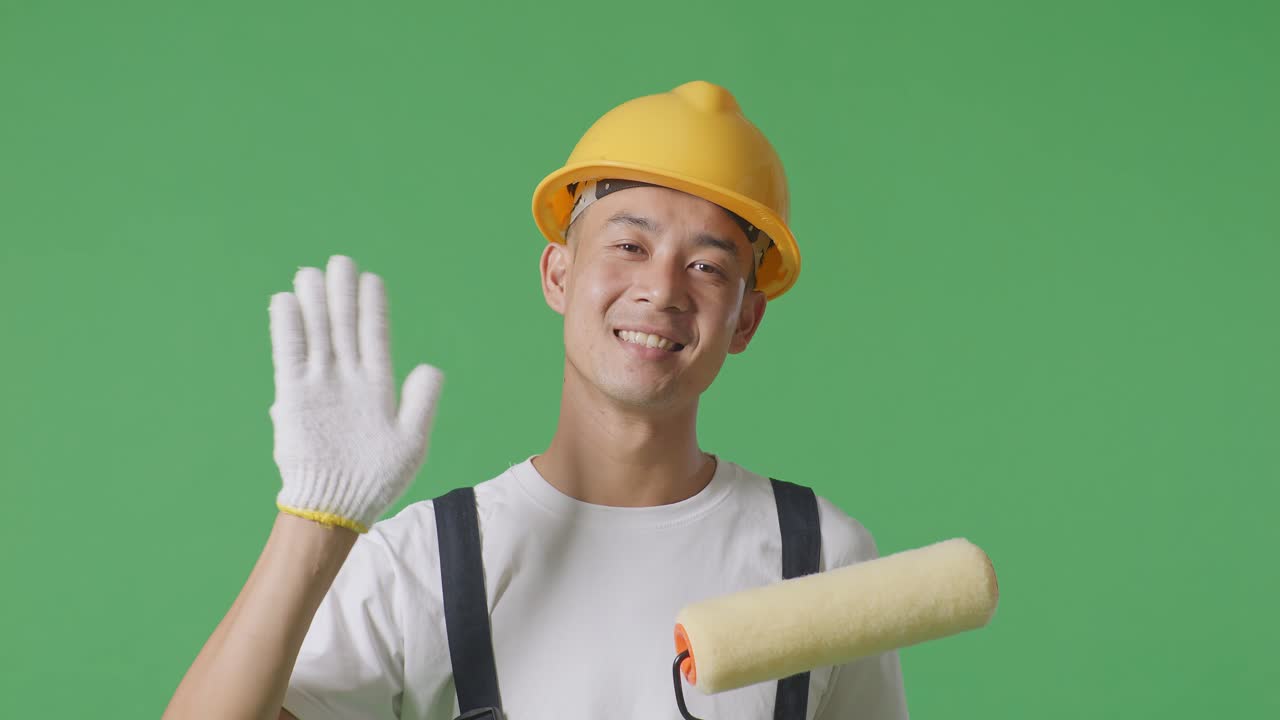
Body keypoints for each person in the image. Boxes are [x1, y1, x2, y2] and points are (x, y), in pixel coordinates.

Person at [163, 80, 909, 720]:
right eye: (629, 246)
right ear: (557, 274)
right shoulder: (423, 563)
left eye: (708, 267)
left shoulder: (824, 560)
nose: (661, 290)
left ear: (745, 319)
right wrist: (313, 524)